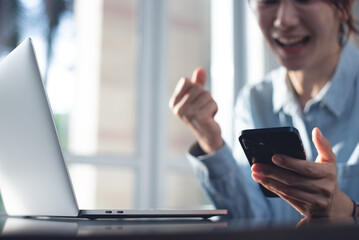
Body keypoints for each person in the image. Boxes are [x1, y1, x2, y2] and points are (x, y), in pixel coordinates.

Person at [169, 0, 359, 221]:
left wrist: (347, 211)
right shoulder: (254, 101)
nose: (283, 20)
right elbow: (252, 221)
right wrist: (210, 143)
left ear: (344, 7)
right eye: (269, 1)